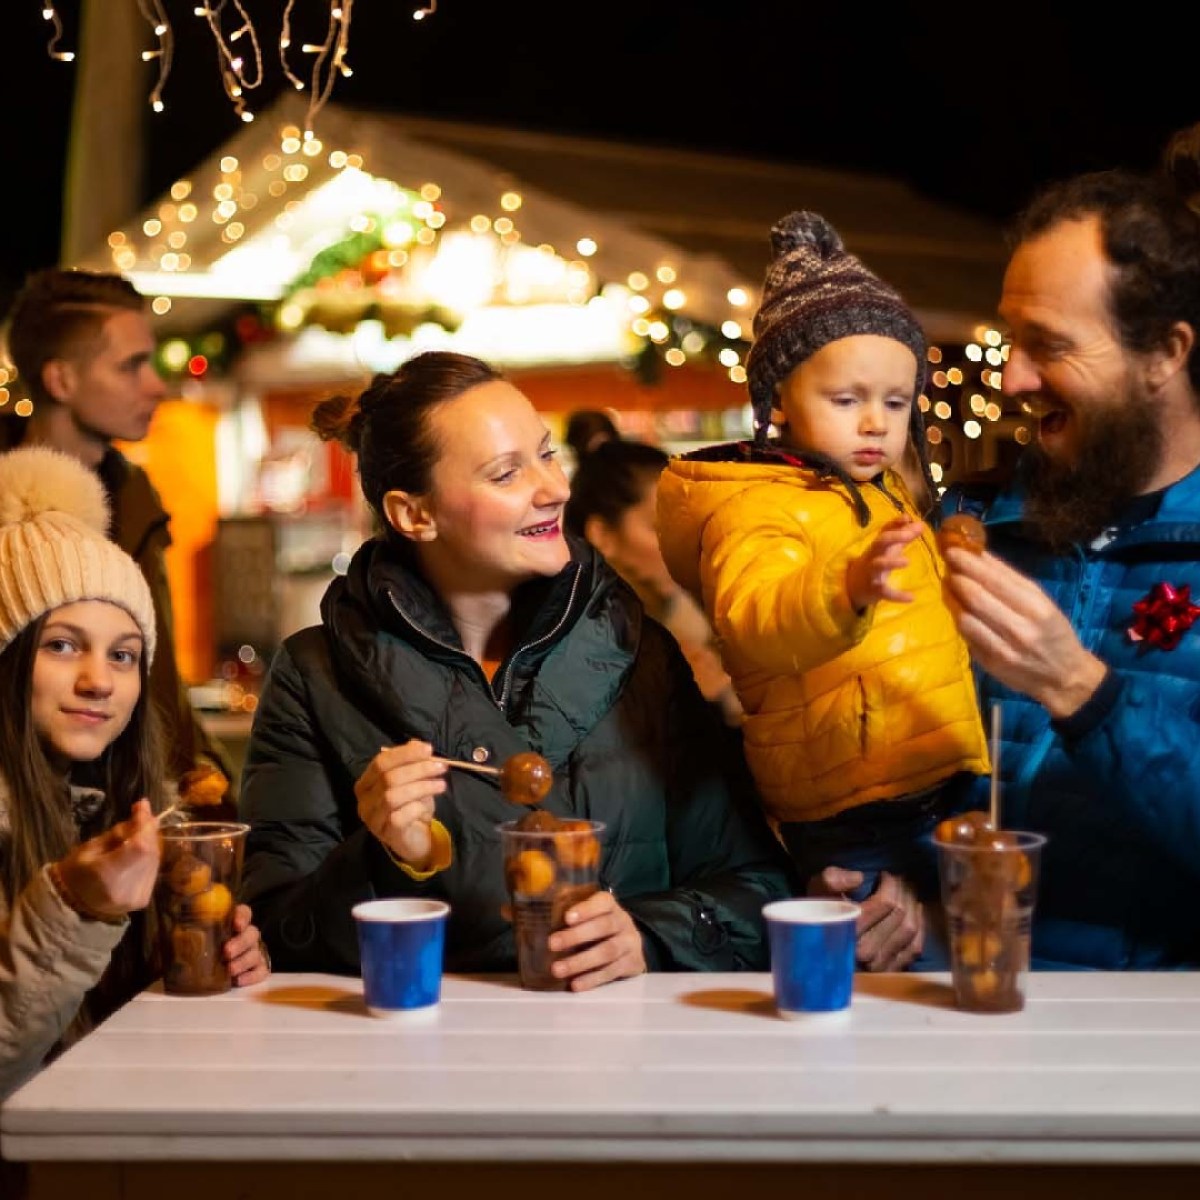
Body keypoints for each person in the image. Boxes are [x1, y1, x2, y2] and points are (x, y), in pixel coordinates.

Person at [238, 350, 792, 989]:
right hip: (417, 1062)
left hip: (622, 1054)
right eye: (506, 474)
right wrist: (389, 855)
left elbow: (760, 889)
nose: (556, 489)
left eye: (548, 454)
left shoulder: (641, 653)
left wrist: (646, 937)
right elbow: (272, 935)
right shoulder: (315, 675)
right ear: (414, 514)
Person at [656, 211, 990, 965]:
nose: (875, 422)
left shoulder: (881, 492)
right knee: (884, 967)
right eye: (847, 400)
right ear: (777, 402)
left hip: (928, 774)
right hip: (852, 803)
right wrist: (843, 587)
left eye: (896, 403)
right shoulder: (755, 504)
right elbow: (756, 616)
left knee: (949, 956)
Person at [939, 155, 1200, 969]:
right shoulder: (968, 519)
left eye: (1047, 345)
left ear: (1164, 351)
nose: (1012, 378)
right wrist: (882, 882)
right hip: (942, 1011)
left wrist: (1080, 691)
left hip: (1150, 1048)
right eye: (1010, 338)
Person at [0, 446, 269, 1103]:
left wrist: (220, 963)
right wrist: (74, 908)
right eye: (62, 645)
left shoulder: (130, 809)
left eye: (124, 655)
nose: (99, 682)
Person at [0, 267, 233, 791]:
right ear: (61, 379)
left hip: (138, 800)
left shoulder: (133, 498)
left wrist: (194, 772)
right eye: (132, 366)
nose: (155, 385)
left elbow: (161, 678)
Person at [564, 437, 743, 727]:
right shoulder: (587, 642)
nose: (682, 545)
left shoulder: (689, 618)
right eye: (659, 528)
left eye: (686, 528)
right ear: (603, 535)